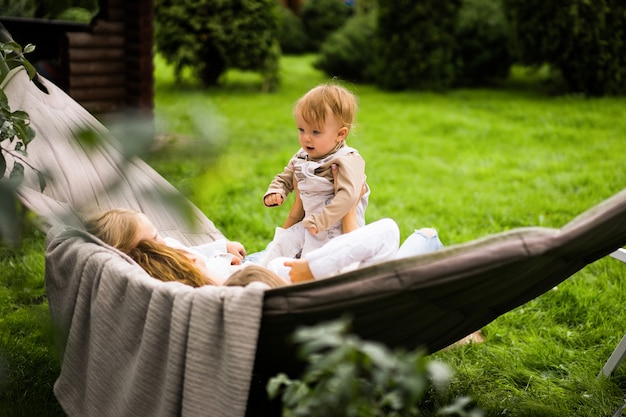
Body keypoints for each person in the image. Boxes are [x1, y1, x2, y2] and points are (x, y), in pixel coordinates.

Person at [84, 208, 443, 286]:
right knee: (419, 236)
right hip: (292, 276)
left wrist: (220, 245)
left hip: (271, 268)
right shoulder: (177, 266)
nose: (166, 239)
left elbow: (197, 256)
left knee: (307, 229)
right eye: (158, 237)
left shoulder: (167, 276)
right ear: (148, 251)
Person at [263, 83, 369, 262]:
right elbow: (287, 175)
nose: (306, 138)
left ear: (340, 134)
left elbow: (349, 196)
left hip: (336, 227)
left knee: (319, 261)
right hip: (309, 223)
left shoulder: (347, 159)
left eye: (316, 132)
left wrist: (322, 220)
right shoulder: (303, 155)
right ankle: (267, 270)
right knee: (280, 248)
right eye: (301, 129)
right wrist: (278, 190)